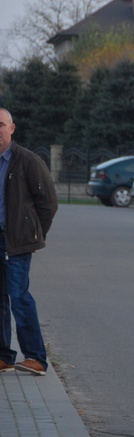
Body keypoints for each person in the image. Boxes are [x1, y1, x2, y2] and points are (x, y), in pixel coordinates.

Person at [0, 108, 58, 376]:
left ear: (12, 128)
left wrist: (33, 234)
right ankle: (4, 356)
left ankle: (36, 357)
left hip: (17, 242)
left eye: (1, 125)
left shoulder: (27, 161)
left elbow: (48, 203)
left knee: (18, 295)